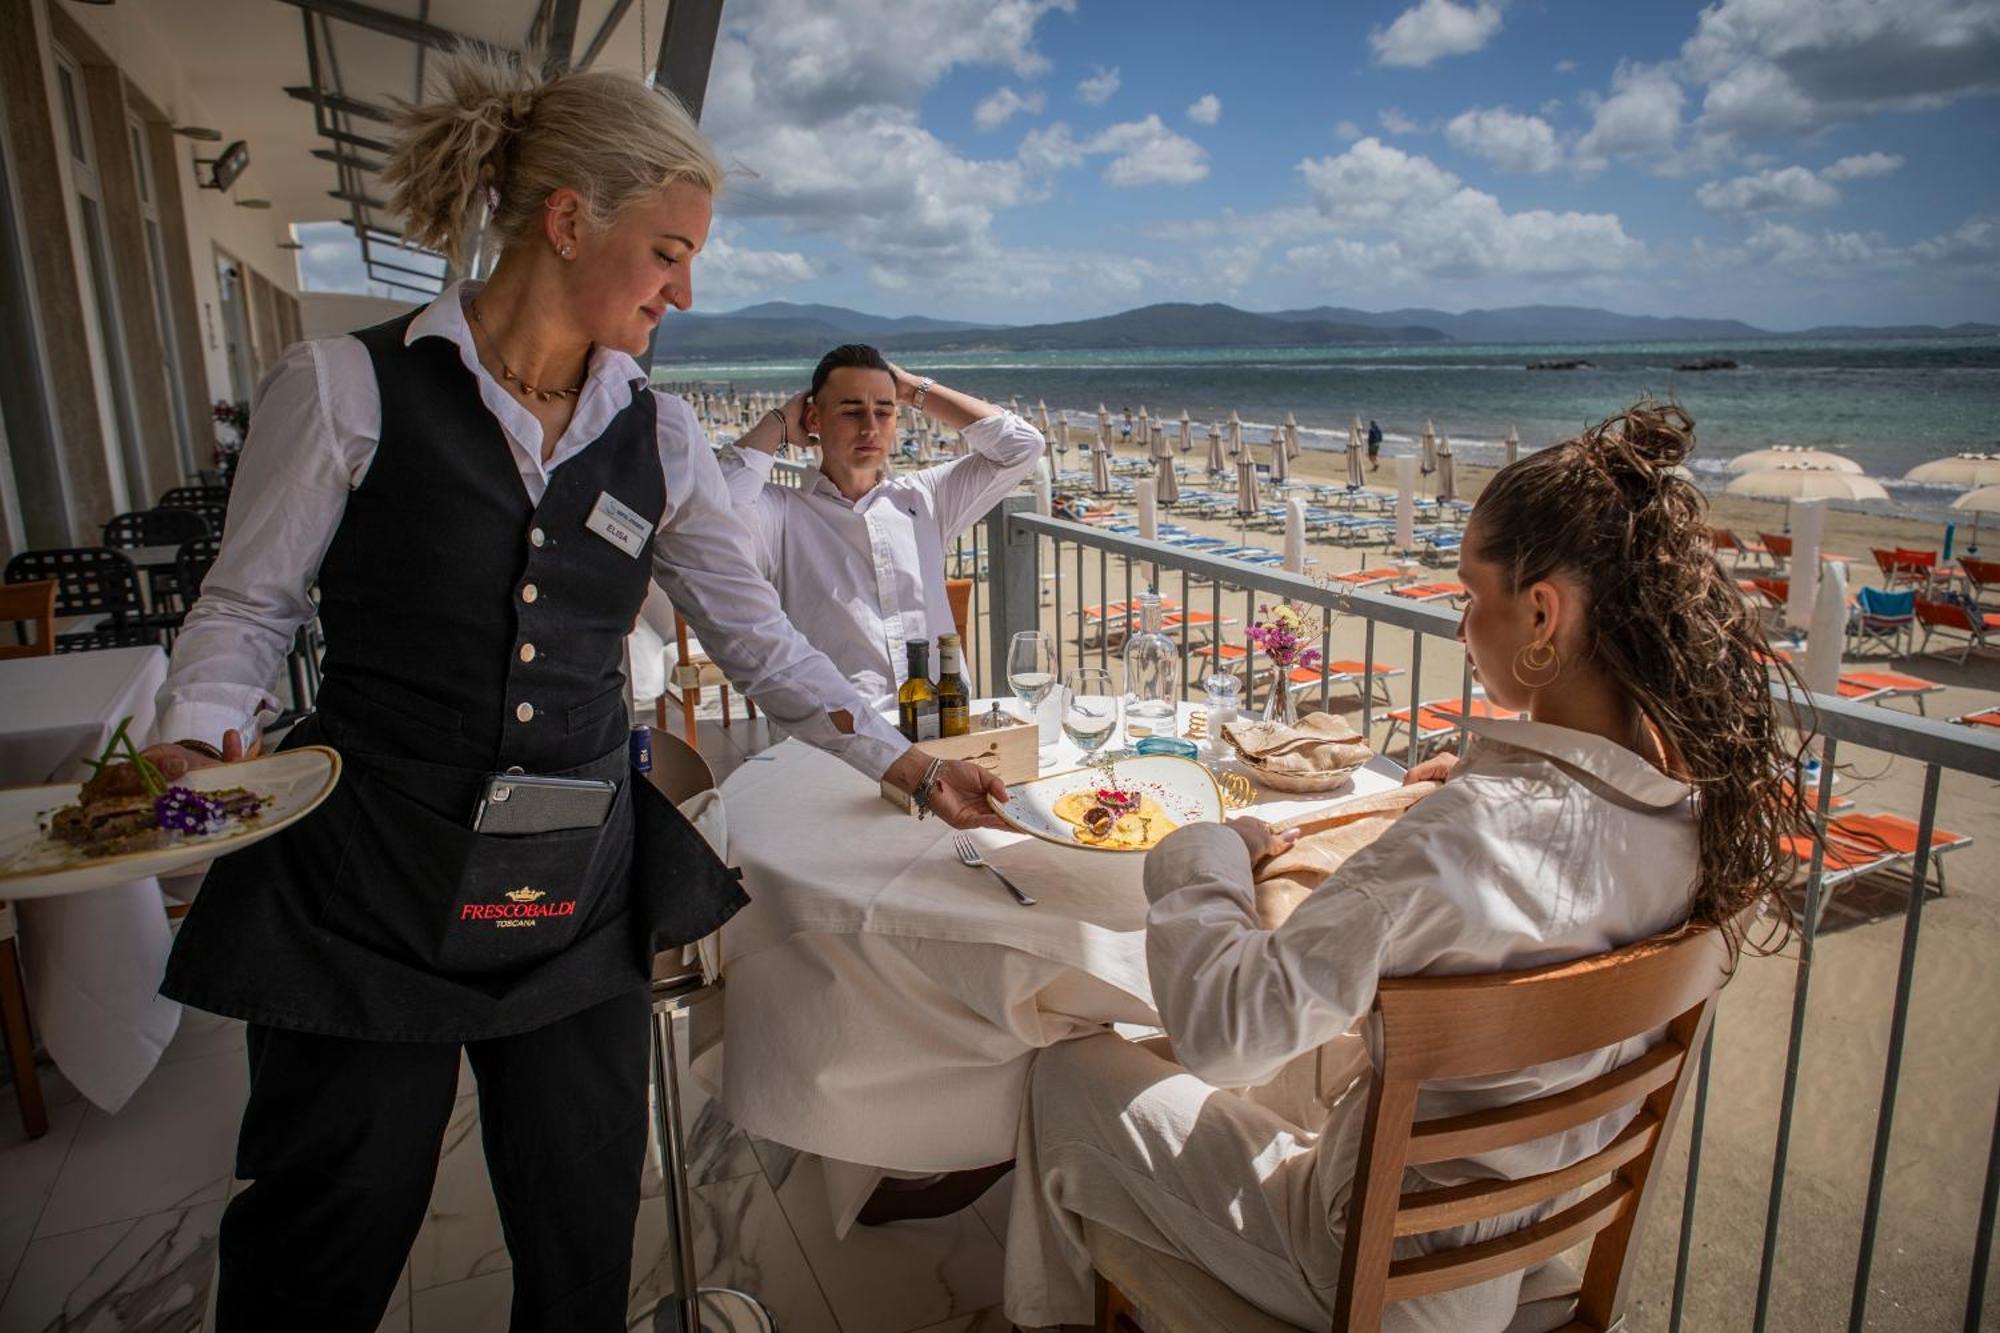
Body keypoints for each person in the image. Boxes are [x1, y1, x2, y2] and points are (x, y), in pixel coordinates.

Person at [137, 48, 1003, 1332]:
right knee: (331, 1218)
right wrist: (199, 741)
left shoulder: (656, 432)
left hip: (574, 882)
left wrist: (910, 763)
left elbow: (760, 640)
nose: (685, 290)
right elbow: (250, 606)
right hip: (367, 876)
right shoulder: (343, 389)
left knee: (581, 1215)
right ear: (566, 220)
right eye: (668, 251)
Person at [1003, 401, 1811, 1330]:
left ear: (1541, 611)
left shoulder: (1467, 839)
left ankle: (1053, 1314)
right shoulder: (1683, 815)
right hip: (1532, 1236)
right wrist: (1471, 785)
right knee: (1303, 1041)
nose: (1464, 621)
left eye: (1474, 593)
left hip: (1383, 1275)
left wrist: (1206, 850)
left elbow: (1224, 1031)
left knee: (1067, 1070)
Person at [720, 344, 1041, 702]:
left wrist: (912, 390)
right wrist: (777, 423)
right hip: (840, 740)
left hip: (941, 726)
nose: (870, 428)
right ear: (814, 419)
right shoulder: (780, 512)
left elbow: (1023, 446)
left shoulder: (924, 498)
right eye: (852, 411)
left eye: (884, 412)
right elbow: (717, 511)